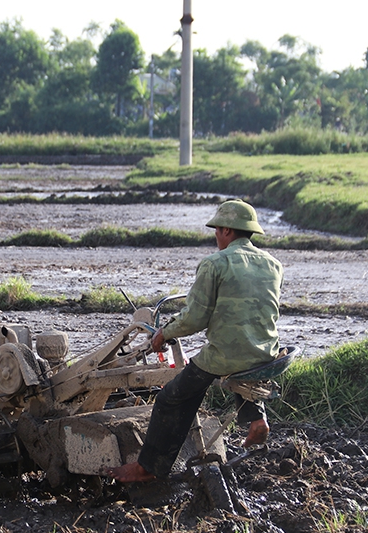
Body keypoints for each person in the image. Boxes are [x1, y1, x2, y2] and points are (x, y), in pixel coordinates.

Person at [109, 199, 283, 483]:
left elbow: (195, 318)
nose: (216, 236)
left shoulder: (215, 263)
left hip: (227, 354)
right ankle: (257, 420)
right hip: (266, 352)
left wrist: (163, 333)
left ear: (227, 229)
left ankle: (148, 468)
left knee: (172, 398)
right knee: (241, 364)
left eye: (217, 230)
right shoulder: (273, 265)